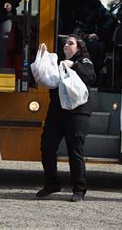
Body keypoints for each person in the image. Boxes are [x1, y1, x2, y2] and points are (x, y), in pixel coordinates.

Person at [36, 34, 96, 202]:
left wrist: (74, 65)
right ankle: (52, 184)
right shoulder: (59, 62)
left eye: (71, 43)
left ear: (78, 48)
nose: (66, 45)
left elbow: (91, 77)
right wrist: (42, 60)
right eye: (65, 43)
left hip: (78, 113)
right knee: (47, 146)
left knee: (75, 151)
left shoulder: (83, 61)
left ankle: (79, 189)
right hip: (56, 112)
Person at [59, 0, 115, 74]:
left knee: (98, 47)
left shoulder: (95, 4)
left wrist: (98, 34)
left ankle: (92, 75)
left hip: (88, 39)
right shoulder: (65, 2)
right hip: (67, 36)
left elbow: (109, 19)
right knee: (63, 44)